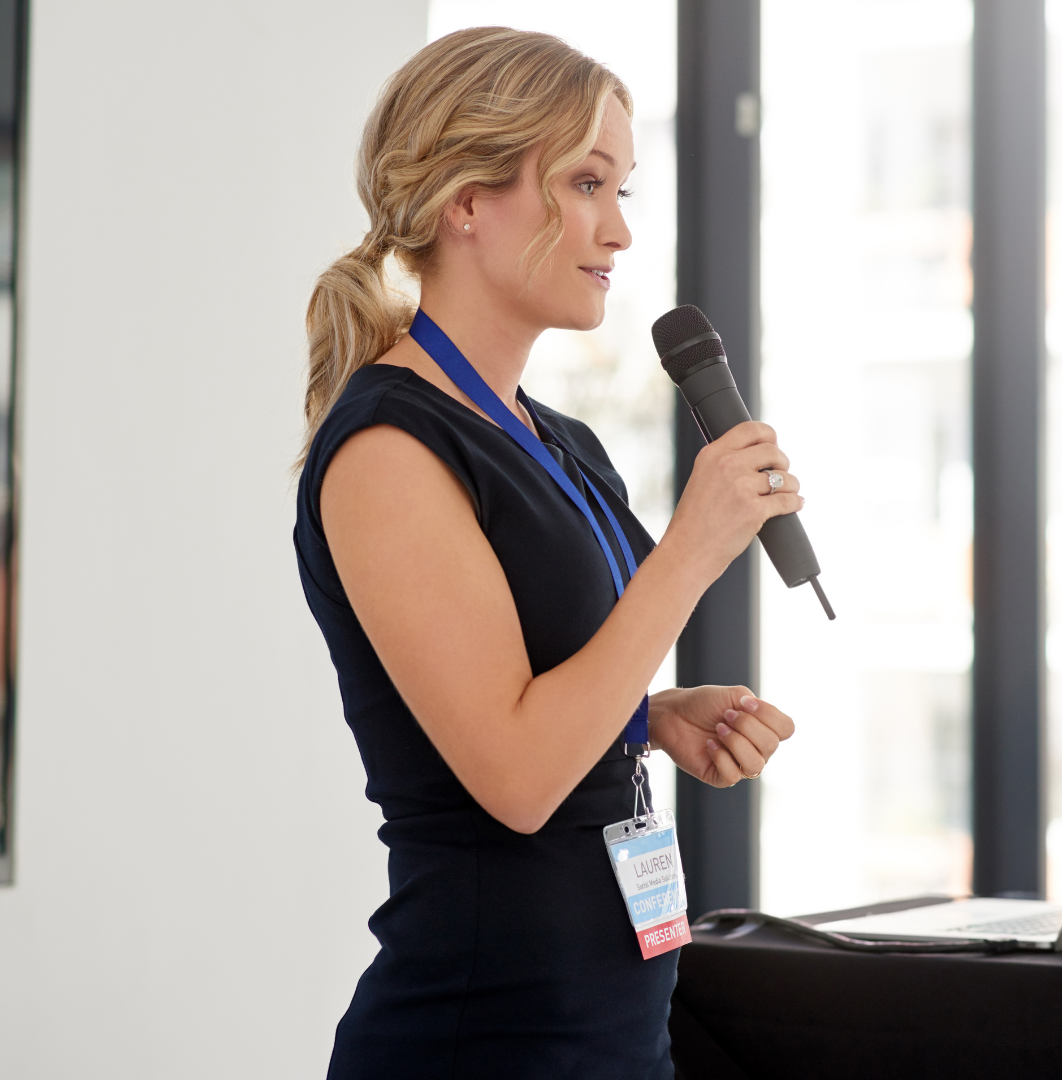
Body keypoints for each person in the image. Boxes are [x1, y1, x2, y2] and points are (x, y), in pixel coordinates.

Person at [294, 26, 799, 1080]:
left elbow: (531, 695)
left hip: (610, 1033)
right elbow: (517, 778)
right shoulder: (390, 446)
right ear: (465, 201)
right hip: (482, 1041)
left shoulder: (558, 439)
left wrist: (648, 719)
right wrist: (693, 549)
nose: (617, 229)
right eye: (585, 183)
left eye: (623, 188)